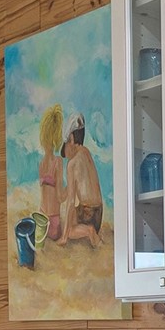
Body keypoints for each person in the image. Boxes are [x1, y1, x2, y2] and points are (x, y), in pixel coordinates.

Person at [63, 114, 105, 247]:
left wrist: (64, 236)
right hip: (98, 213)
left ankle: (89, 232)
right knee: (72, 213)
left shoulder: (72, 164)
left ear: (70, 138)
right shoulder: (86, 153)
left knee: (68, 229)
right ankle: (90, 230)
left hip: (88, 215)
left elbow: (70, 201)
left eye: (64, 145)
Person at [36, 105, 66, 242]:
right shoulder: (58, 162)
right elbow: (60, 197)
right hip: (53, 224)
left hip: (41, 219)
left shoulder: (41, 164)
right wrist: (71, 188)